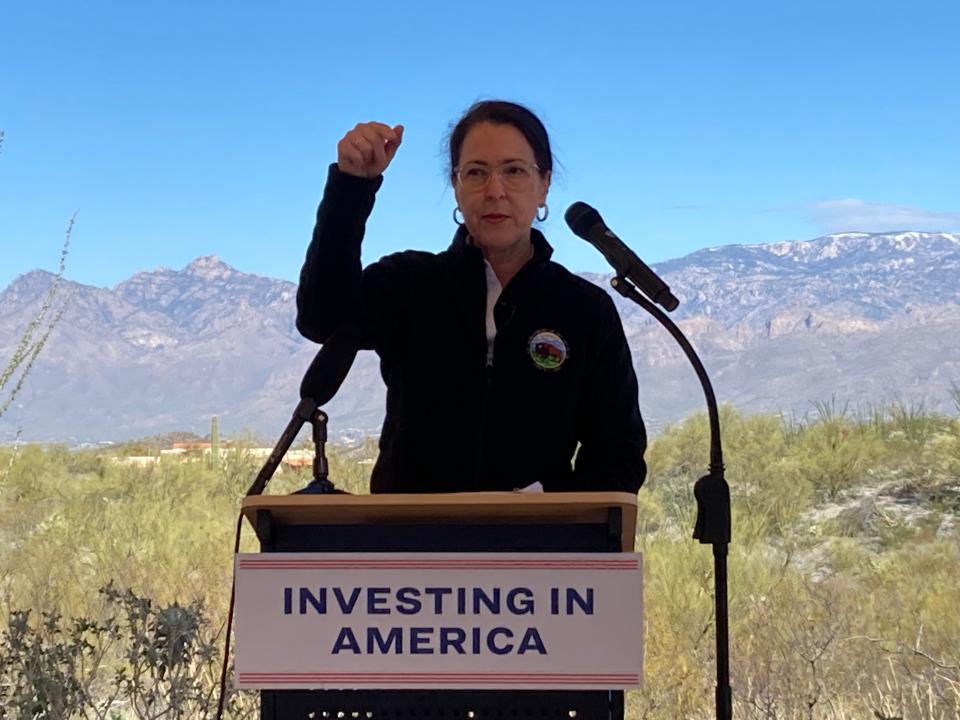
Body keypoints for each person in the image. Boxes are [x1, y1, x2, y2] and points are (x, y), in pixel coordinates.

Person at [296, 100, 646, 494]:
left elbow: (619, 455)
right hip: (409, 543)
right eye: (476, 173)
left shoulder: (584, 309)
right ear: (456, 187)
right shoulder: (408, 284)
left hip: (536, 548)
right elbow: (321, 317)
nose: (495, 191)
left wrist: (548, 511)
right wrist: (351, 188)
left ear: (544, 184)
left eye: (514, 171)